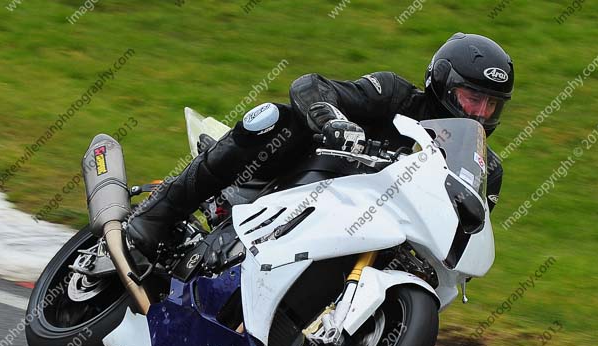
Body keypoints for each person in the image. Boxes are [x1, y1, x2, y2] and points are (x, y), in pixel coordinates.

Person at [126, 32, 514, 260]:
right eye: (471, 98)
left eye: (490, 104)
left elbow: (466, 233)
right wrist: (334, 122)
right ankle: (156, 215)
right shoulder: (394, 95)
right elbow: (312, 86)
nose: (479, 113)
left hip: (377, 233)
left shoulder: (485, 169)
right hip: (297, 185)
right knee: (274, 119)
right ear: (442, 83)